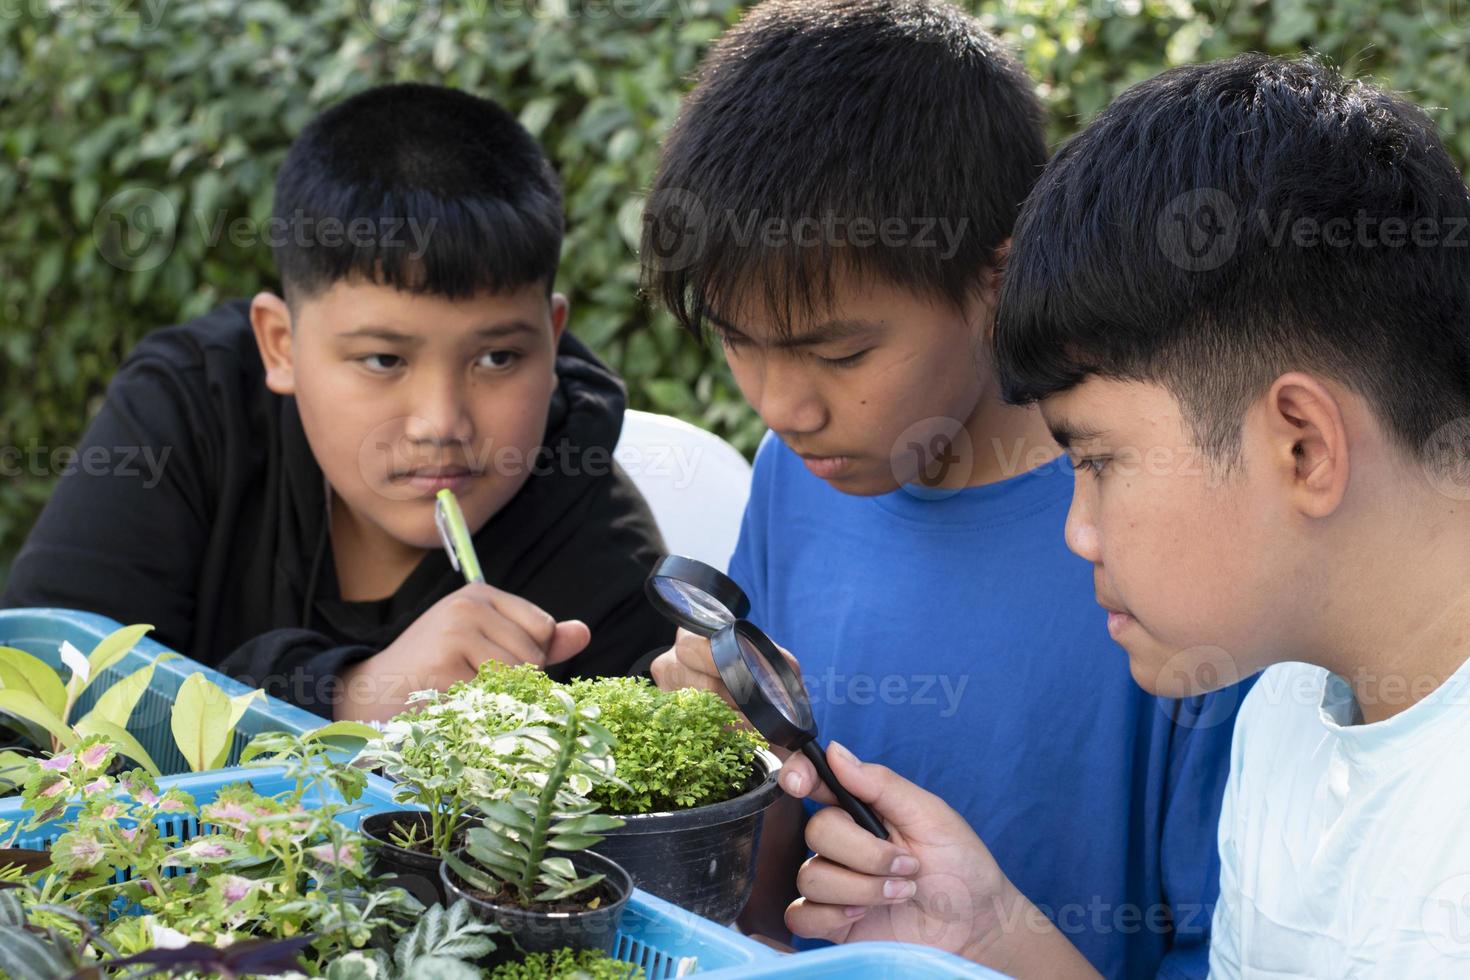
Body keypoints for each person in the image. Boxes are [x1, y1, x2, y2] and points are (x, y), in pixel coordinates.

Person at [779, 53, 1470, 977]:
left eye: (1099, 460)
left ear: (1302, 445)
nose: (1078, 531)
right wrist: (991, 937)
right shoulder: (1285, 706)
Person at [639, 1, 1246, 974]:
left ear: (997, 281)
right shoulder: (795, 472)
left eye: (839, 351)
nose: (785, 404)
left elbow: (1222, 947)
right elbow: (762, 888)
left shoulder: (1161, 533)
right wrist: (715, 755)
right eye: (736, 340)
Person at [3, 83, 674, 723]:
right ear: (280, 347)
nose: (441, 423)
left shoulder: (602, 556)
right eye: (384, 360)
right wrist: (348, 703)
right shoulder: (185, 417)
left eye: (496, 358)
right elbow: (33, 702)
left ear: (551, 344)